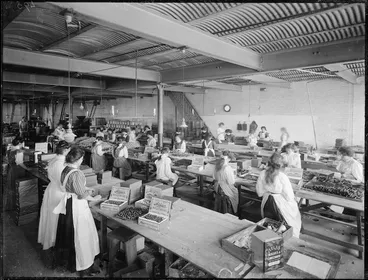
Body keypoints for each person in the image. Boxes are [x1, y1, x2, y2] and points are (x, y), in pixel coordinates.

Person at [53, 147, 101, 275]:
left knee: (70, 234)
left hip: (68, 204)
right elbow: (81, 195)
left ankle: (69, 262)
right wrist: (95, 198)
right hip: (77, 207)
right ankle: (84, 265)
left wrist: (86, 187)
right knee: (81, 235)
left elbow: (72, 185)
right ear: (79, 159)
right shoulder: (77, 173)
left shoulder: (66, 169)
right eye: (82, 158)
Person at [256, 153, 302, 238]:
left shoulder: (262, 173)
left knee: (271, 223)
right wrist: (294, 200)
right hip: (278, 203)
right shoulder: (282, 176)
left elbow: (259, 192)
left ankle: (269, 231)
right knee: (294, 211)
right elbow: (289, 196)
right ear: (281, 165)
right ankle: (289, 233)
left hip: (267, 201)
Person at [38, 141, 71, 251]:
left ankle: (51, 239)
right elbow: (62, 183)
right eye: (69, 150)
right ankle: (54, 240)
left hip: (52, 189)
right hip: (58, 192)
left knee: (51, 215)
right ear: (65, 150)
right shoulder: (60, 164)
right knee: (55, 217)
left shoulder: (54, 159)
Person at [4, 138, 26, 211]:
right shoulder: (19, 151)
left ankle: (12, 205)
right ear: (19, 143)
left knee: (12, 187)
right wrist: (28, 168)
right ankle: (18, 205)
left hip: (11, 170)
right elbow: (20, 163)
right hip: (18, 170)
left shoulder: (10, 150)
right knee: (19, 187)